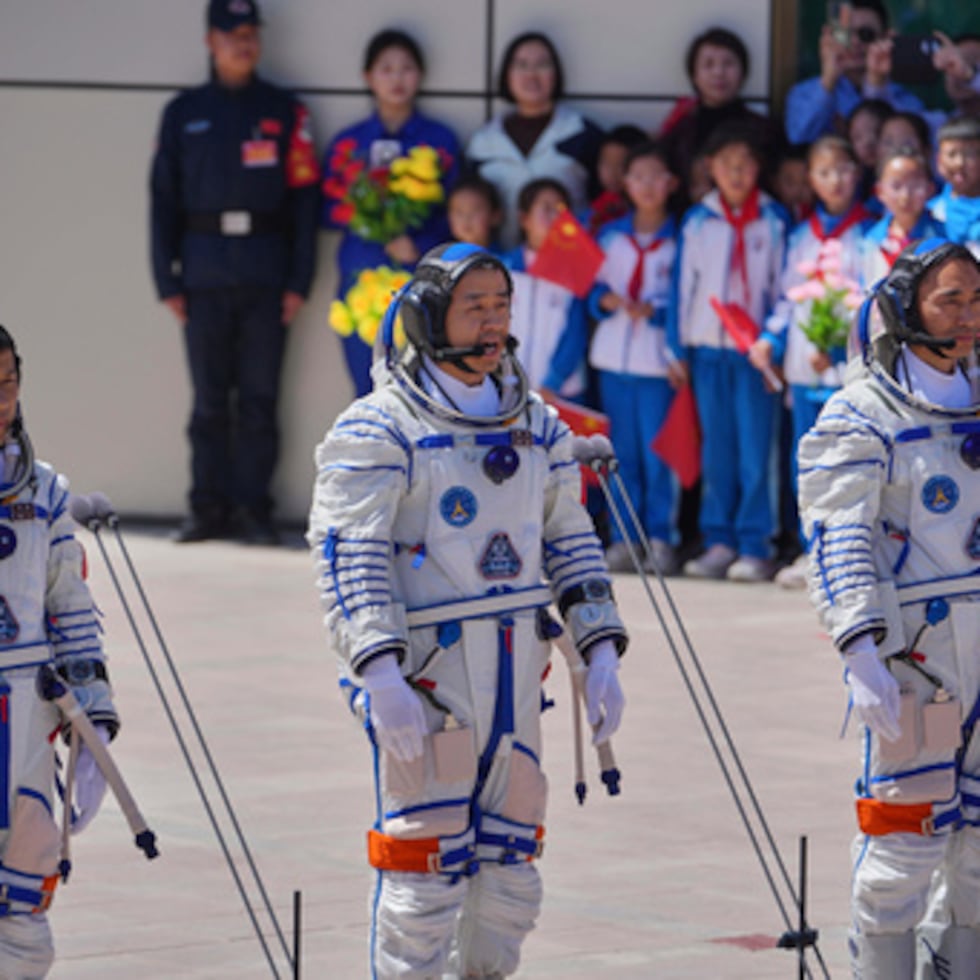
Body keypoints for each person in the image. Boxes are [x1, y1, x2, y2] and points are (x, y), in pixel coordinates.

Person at [307, 242, 627, 978]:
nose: (491, 322)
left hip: (516, 681)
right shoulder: (379, 429)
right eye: (473, 306)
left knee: (511, 881)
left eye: (501, 305)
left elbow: (568, 535)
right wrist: (378, 671)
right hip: (426, 682)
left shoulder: (537, 423)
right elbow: (349, 555)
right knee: (422, 883)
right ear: (427, 317)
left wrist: (599, 646)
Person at [796, 239, 980, 978]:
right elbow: (840, 537)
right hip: (916, 662)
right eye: (951, 301)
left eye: (976, 300)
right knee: (902, 847)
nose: (968, 317)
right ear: (905, 310)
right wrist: (860, 650)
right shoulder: (861, 414)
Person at [150, 0, 319, 545]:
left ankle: (254, 511)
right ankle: (206, 510)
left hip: (267, 273)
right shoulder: (183, 112)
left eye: (250, 34)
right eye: (231, 35)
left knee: (258, 401)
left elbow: (305, 203)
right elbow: (162, 200)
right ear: (210, 41)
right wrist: (167, 280)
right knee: (207, 402)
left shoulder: (285, 111)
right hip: (201, 273)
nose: (242, 44)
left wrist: (298, 281)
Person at [0, 326, 119, 977]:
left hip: (24, 716)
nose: (0, 402)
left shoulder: (42, 492)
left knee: (24, 909)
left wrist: (95, 721)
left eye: (8, 385)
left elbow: (70, 608)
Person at [751, 135, 871, 589]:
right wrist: (770, 341)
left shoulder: (867, 233)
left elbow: (871, 302)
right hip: (805, 373)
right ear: (811, 180)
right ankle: (809, 549)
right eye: (825, 172)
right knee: (808, 462)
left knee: (850, 463)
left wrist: (840, 346)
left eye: (844, 170)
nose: (835, 180)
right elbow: (785, 301)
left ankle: (849, 553)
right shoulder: (799, 236)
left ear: (856, 175)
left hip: (847, 373)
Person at [674, 123, 788, 582]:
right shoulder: (699, 221)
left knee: (755, 451)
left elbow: (786, 290)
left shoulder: (774, 220)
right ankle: (718, 539)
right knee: (716, 450)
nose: (737, 174)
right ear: (711, 169)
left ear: (757, 168)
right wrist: (676, 348)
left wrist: (773, 341)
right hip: (707, 352)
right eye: (727, 166)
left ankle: (756, 543)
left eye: (745, 165)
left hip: (755, 355)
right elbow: (684, 288)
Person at [320, 28, 460, 398]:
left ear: (420, 75)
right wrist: (367, 218)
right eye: (386, 69)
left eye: (406, 68)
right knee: (368, 394)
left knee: (426, 395)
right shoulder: (350, 143)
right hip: (361, 280)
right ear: (368, 77)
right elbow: (326, 209)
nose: (397, 78)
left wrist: (419, 243)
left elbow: (458, 215)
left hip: (420, 280)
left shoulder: (439, 140)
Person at [588, 141, 682, 575]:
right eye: (637, 176)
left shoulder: (680, 239)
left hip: (656, 363)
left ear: (670, 184)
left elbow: (689, 298)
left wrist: (658, 311)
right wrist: (603, 299)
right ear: (625, 184)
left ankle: (661, 536)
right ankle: (625, 536)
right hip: (614, 359)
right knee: (619, 452)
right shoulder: (610, 237)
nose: (646, 185)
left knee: (658, 452)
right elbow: (588, 289)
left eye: (655, 176)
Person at [466, 31, 602, 249]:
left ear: (556, 73)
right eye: (521, 65)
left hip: (569, 265)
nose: (531, 74)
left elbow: (604, 204)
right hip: (502, 266)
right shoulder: (483, 143)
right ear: (506, 75)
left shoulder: (582, 133)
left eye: (542, 64)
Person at [660, 26, 786, 208]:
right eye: (708, 64)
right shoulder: (679, 133)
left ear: (743, 72)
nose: (718, 73)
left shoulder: (767, 130)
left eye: (728, 64)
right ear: (694, 75)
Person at [783, 0, 924, 147]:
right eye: (845, 35)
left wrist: (876, 85)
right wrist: (828, 80)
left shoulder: (906, 100)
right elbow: (799, 140)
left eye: (866, 34)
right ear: (830, 37)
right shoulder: (802, 94)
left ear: (886, 38)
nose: (855, 42)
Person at [500, 178, 589, 402]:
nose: (554, 217)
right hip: (509, 389)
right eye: (546, 209)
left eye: (560, 210)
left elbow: (576, 333)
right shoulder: (503, 269)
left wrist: (554, 382)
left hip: (562, 393)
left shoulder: (574, 271)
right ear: (524, 219)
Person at [862, 148, 943, 287]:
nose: (905, 196)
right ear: (880, 191)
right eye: (896, 186)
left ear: (930, 189)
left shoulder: (943, 236)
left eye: (915, 185)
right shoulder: (872, 240)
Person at [579, 123, 647, 235]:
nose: (613, 172)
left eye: (621, 164)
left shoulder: (645, 213)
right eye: (606, 163)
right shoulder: (591, 213)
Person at [929, 117, 980, 253]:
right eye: (952, 154)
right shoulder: (931, 212)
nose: (960, 163)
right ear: (939, 161)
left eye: (970, 155)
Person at [447, 173, 503, 250]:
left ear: (495, 216)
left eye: (475, 210)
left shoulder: (506, 261)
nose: (466, 218)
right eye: (459, 212)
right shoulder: (443, 260)